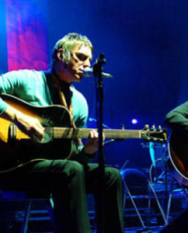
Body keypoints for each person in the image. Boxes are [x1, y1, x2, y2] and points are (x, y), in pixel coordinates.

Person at [0, 33, 125, 233]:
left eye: (90, 60)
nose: (86, 65)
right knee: (70, 170)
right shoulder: (25, 80)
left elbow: (73, 158)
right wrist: (19, 118)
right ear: (61, 55)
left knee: (110, 175)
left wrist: (89, 152)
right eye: (81, 57)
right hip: (12, 168)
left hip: (55, 171)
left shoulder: (80, 103)